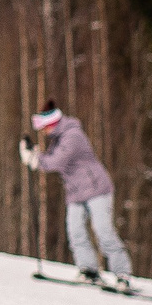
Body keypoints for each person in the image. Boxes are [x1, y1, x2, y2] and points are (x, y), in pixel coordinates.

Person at [22, 101, 132, 289]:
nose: (44, 131)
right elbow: (51, 159)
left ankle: (122, 274)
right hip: (75, 192)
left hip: (96, 188)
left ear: (53, 123)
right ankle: (89, 270)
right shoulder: (58, 139)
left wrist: (35, 159)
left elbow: (56, 161)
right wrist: (35, 154)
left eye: (45, 126)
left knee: (103, 232)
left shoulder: (72, 135)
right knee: (76, 232)